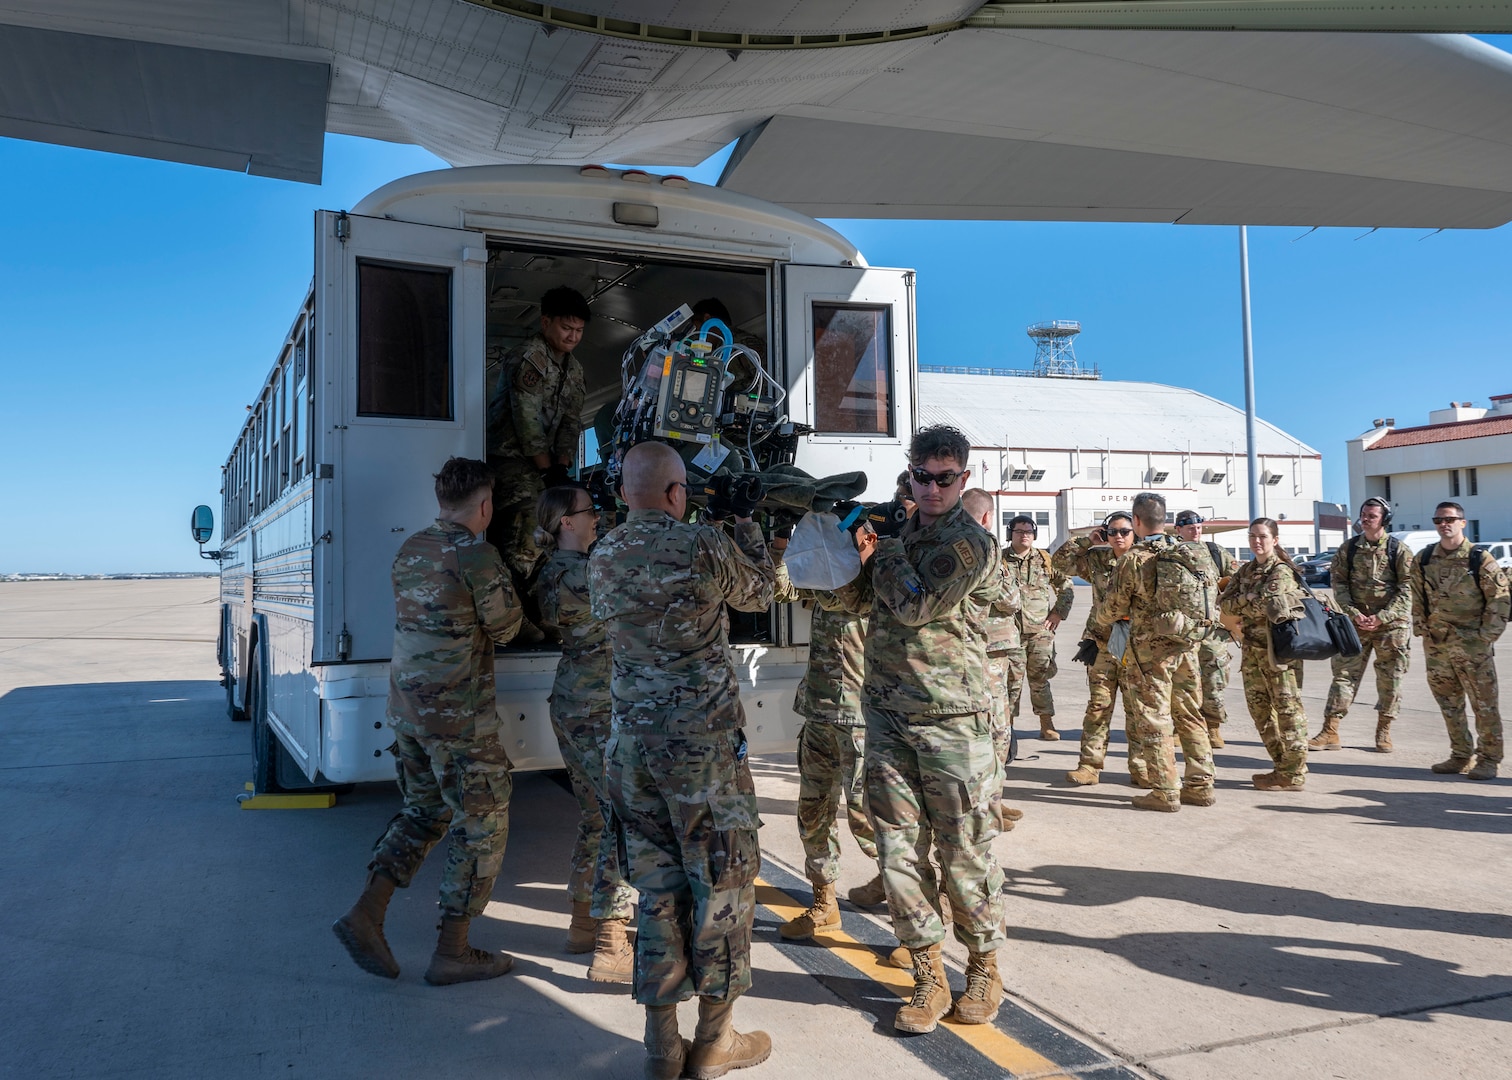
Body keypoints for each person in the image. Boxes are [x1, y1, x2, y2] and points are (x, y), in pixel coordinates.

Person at [588, 441, 776, 1080]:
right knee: (722, 884)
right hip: (702, 752)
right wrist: (746, 524)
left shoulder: (603, 552)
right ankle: (715, 1043)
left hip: (630, 751)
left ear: (621, 493)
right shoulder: (701, 543)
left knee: (656, 889)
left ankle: (661, 1047)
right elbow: (761, 593)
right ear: (676, 494)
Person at [332, 457, 523, 984]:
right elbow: (507, 628)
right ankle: (452, 951)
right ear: (484, 506)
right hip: (457, 720)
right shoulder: (477, 555)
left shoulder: (411, 547)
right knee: (482, 826)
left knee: (424, 813)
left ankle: (367, 912)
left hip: (408, 713)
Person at [853, 425, 1005, 1035]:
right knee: (896, 853)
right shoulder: (899, 532)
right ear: (910, 474)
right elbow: (855, 601)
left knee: (964, 855)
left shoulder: (970, 544)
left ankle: (985, 966)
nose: (934, 486)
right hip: (888, 716)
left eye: (946, 478)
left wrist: (881, 549)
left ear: (963, 479)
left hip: (953, 724)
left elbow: (916, 604)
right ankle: (927, 972)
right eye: (923, 475)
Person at [533, 483, 634, 983]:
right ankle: (612, 944)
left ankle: (581, 924)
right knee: (617, 817)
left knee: (595, 819)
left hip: (576, 701)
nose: (598, 517)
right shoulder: (579, 576)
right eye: (589, 511)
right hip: (597, 708)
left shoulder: (555, 572)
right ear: (564, 522)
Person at [768, 537, 885, 935]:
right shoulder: (823, 571)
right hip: (819, 712)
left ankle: (917, 911)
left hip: (860, 717)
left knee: (868, 818)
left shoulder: (875, 578)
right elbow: (780, 587)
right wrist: (781, 550)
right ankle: (825, 902)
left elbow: (845, 598)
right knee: (813, 813)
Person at [1097, 492, 1217, 811]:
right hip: (1186, 645)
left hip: (1149, 652)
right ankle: (1201, 783)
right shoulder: (1181, 551)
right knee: (1190, 713)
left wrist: (1101, 617)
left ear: (1136, 522)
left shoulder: (1134, 558)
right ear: (1165, 521)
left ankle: (1164, 789)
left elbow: (1112, 608)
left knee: (1154, 717)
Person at [486, 286, 590, 615]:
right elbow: (526, 421)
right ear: (546, 322)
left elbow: (571, 422)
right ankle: (515, 616)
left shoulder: (573, 369)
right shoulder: (528, 358)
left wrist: (561, 468)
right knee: (524, 530)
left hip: (546, 466)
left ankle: (543, 609)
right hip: (513, 462)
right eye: (566, 328)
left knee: (557, 527)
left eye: (579, 331)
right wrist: (548, 471)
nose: (573, 337)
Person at [1411, 501, 1508, 780]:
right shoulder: (1425, 558)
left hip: (1472, 647)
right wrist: (1423, 629)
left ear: (1462, 523)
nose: (1445, 524)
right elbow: (1417, 596)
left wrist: (1485, 638)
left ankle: (1489, 759)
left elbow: (1499, 602)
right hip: (1437, 646)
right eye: (1439, 520)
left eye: (1450, 519)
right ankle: (1460, 754)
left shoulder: (1480, 558)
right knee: (1449, 703)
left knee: (1484, 704)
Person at [1312, 497, 1415, 753]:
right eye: (1364, 514)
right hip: (1355, 624)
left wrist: (1383, 616)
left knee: (1390, 679)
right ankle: (1330, 730)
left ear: (1385, 520)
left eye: (1372, 515)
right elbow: (1340, 585)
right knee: (1344, 677)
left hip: (1391, 628)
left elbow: (1407, 590)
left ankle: (1384, 730)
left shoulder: (1398, 550)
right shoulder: (1348, 549)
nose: (1366, 519)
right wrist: (1354, 613)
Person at [1218, 517, 1310, 791]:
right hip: (1252, 651)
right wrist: (1247, 600)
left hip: (1279, 653)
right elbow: (1224, 602)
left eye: (1262, 536)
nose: (1256, 541)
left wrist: (1244, 602)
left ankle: (1294, 772)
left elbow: (1269, 606)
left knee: (1288, 711)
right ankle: (1282, 767)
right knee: (1259, 711)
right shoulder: (1246, 570)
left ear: (1275, 540)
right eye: (1252, 536)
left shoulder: (1281, 571)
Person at [1055, 512, 1143, 787]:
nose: (1118, 537)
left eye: (1125, 531)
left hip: (1136, 645)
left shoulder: (1146, 561)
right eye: (1112, 532)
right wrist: (1085, 541)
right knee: (1098, 707)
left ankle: (1141, 767)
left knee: (1137, 709)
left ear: (1134, 533)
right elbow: (1058, 564)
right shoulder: (1097, 559)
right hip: (1103, 643)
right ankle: (1089, 766)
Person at [962, 488, 1026, 829]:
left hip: (964, 650)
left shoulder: (946, 543)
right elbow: (1011, 599)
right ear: (987, 517)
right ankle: (988, 807)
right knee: (996, 731)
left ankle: (993, 801)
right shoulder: (985, 548)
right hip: (989, 653)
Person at [1003, 514, 1074, 741]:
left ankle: (1046, 723)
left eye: (1028, 532)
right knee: (1009, 682)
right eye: (1019, 531)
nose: (1024, 535)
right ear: (1010, 534)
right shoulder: (1000, 560)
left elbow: (1066, 587)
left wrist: (1058, 613)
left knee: (1040, 680)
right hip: (1009, 633)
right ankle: (1007, 727)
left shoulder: (1045, 560)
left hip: (1040, 633)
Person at [1174, 511, 1239, 748]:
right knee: (1181, 681)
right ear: (1178, 529)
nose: (1195, 530)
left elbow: (1236, 580)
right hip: (1182, 631)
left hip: (1213, 630)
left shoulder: (1215, 552)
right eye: (1189, 526)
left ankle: (1212, 726)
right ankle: (1179, 727)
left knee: (1215, 679)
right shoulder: (1171, 554)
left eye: (1198, 526)